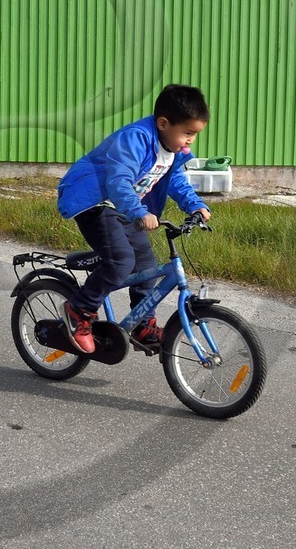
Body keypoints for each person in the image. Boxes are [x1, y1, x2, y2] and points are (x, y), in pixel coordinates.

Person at [55, 84, 213, 354]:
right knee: (121, 261)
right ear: (163, 123)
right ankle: (79, 309)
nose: (191, 141)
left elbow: (174, 180)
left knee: (146, 265)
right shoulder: (135, 139)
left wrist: (194, 205)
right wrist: (140, 212)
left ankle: (141, 323)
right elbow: (118, 181)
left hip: (126, 207)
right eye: (187, 133)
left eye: (195, 134)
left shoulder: (173, 150)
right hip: (95, 202)